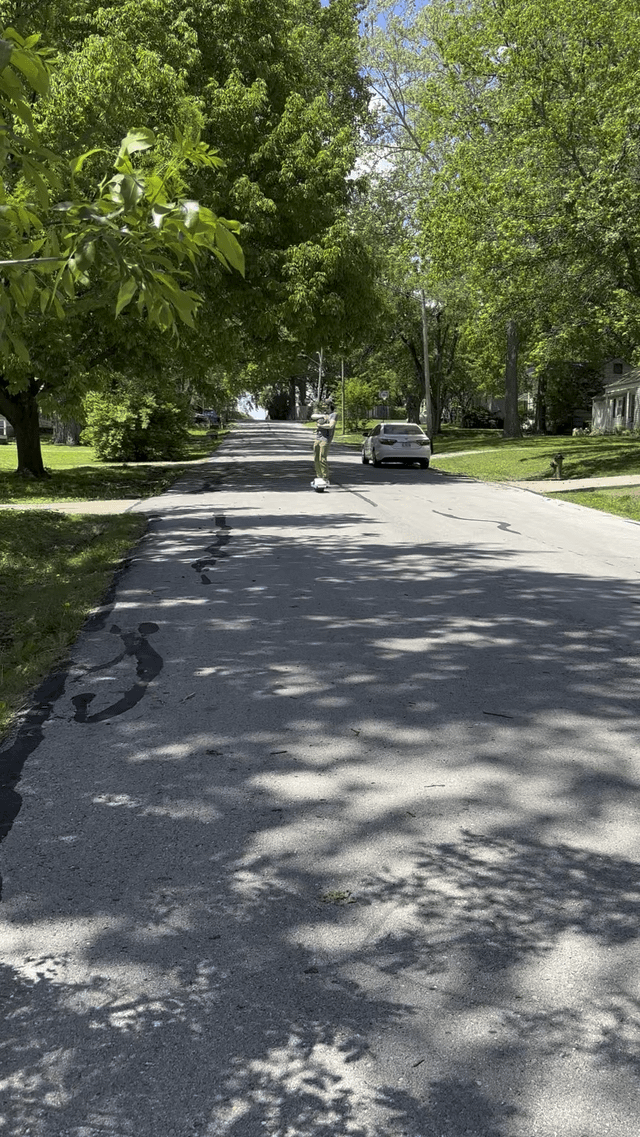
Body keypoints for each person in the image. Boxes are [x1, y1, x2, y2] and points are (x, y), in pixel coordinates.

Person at [310, 401, 338, 483]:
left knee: (322, 458)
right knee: (316, 457)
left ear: (329, 406)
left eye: (325, 405)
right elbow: (313, 416)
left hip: (326, 439)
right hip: (317, 438)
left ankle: (325, 477)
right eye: (323, 405)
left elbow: (331, 425)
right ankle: (319, 476)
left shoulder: (334, 415)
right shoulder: (322, 414)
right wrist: (323, 416)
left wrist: (320, 426)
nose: (323, 407)